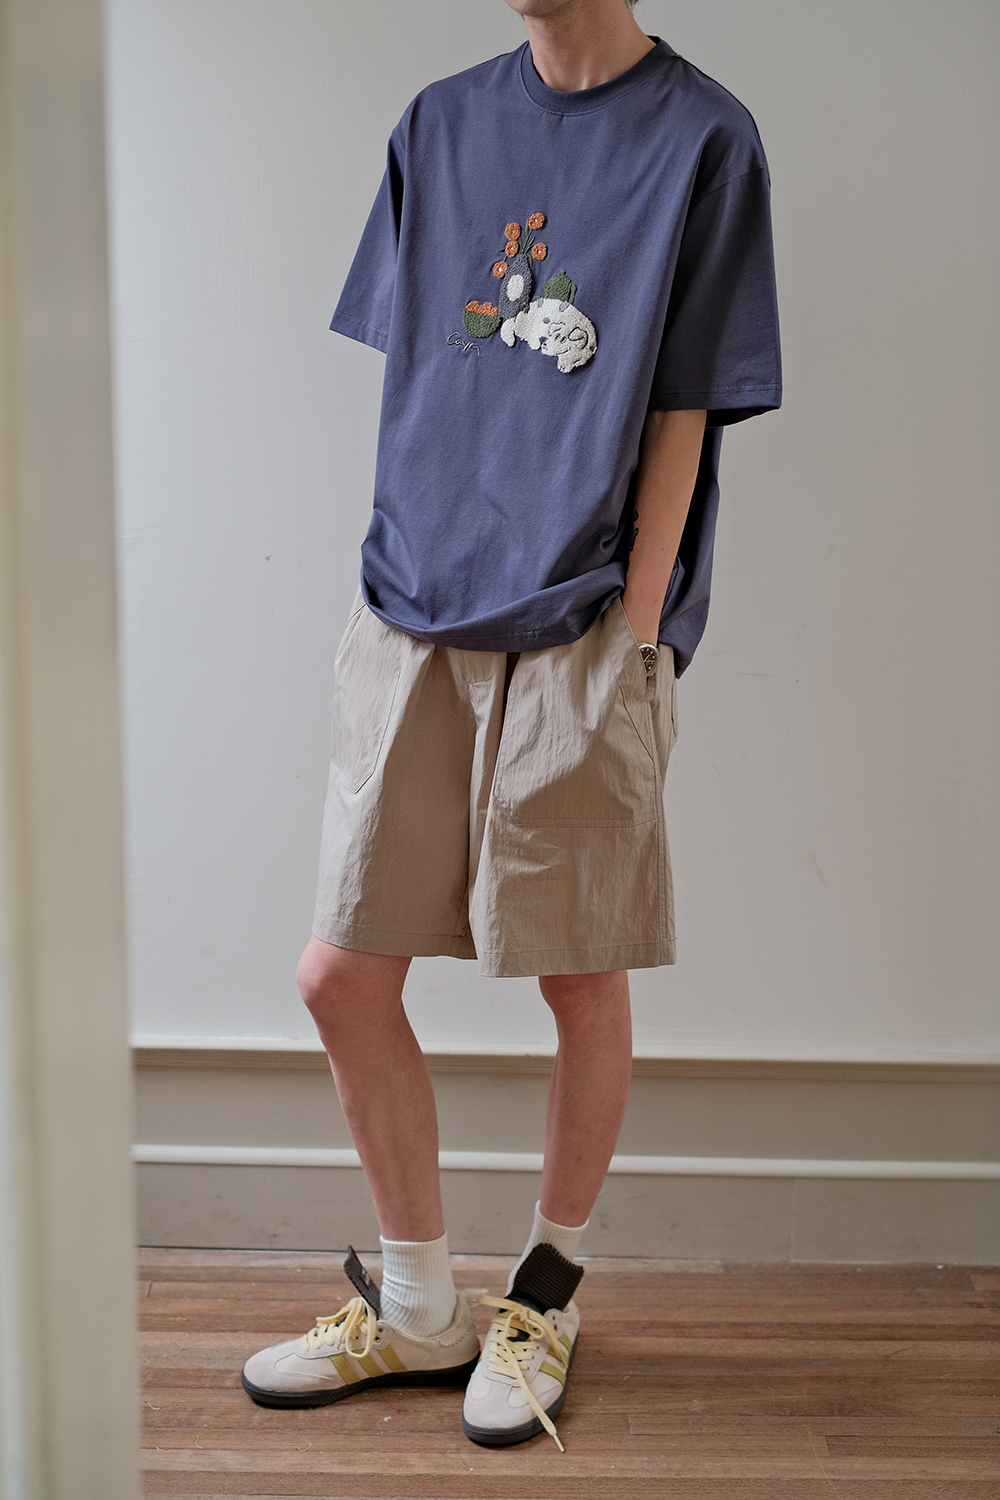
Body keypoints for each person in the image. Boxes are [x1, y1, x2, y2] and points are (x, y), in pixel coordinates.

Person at [241, 0, 780, 1451]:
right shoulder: (438, 123)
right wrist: (398, 578)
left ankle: (545, 1294)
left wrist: (641, 623)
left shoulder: (705, 140)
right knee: (340, 976)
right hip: (414, 607)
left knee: (577, 974)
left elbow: (686, 407)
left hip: (587, 618)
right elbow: (430, 365)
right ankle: (420, 1307)